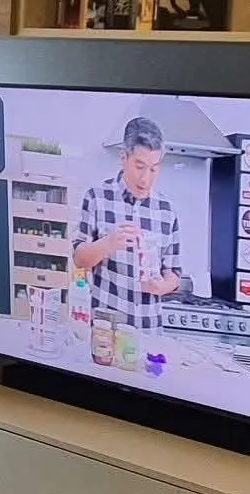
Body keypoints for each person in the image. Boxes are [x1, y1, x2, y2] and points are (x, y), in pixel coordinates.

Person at [73, 116, 181, 332]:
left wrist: (162, 286)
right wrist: (107, 244)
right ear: (124, 158)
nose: (145, 179)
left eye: (153, 169)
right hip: (107, 330)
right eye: (139, 166)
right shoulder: (96, 198)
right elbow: (79, 259)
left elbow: (173, 273)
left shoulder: (167, 210)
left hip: (149, 331)